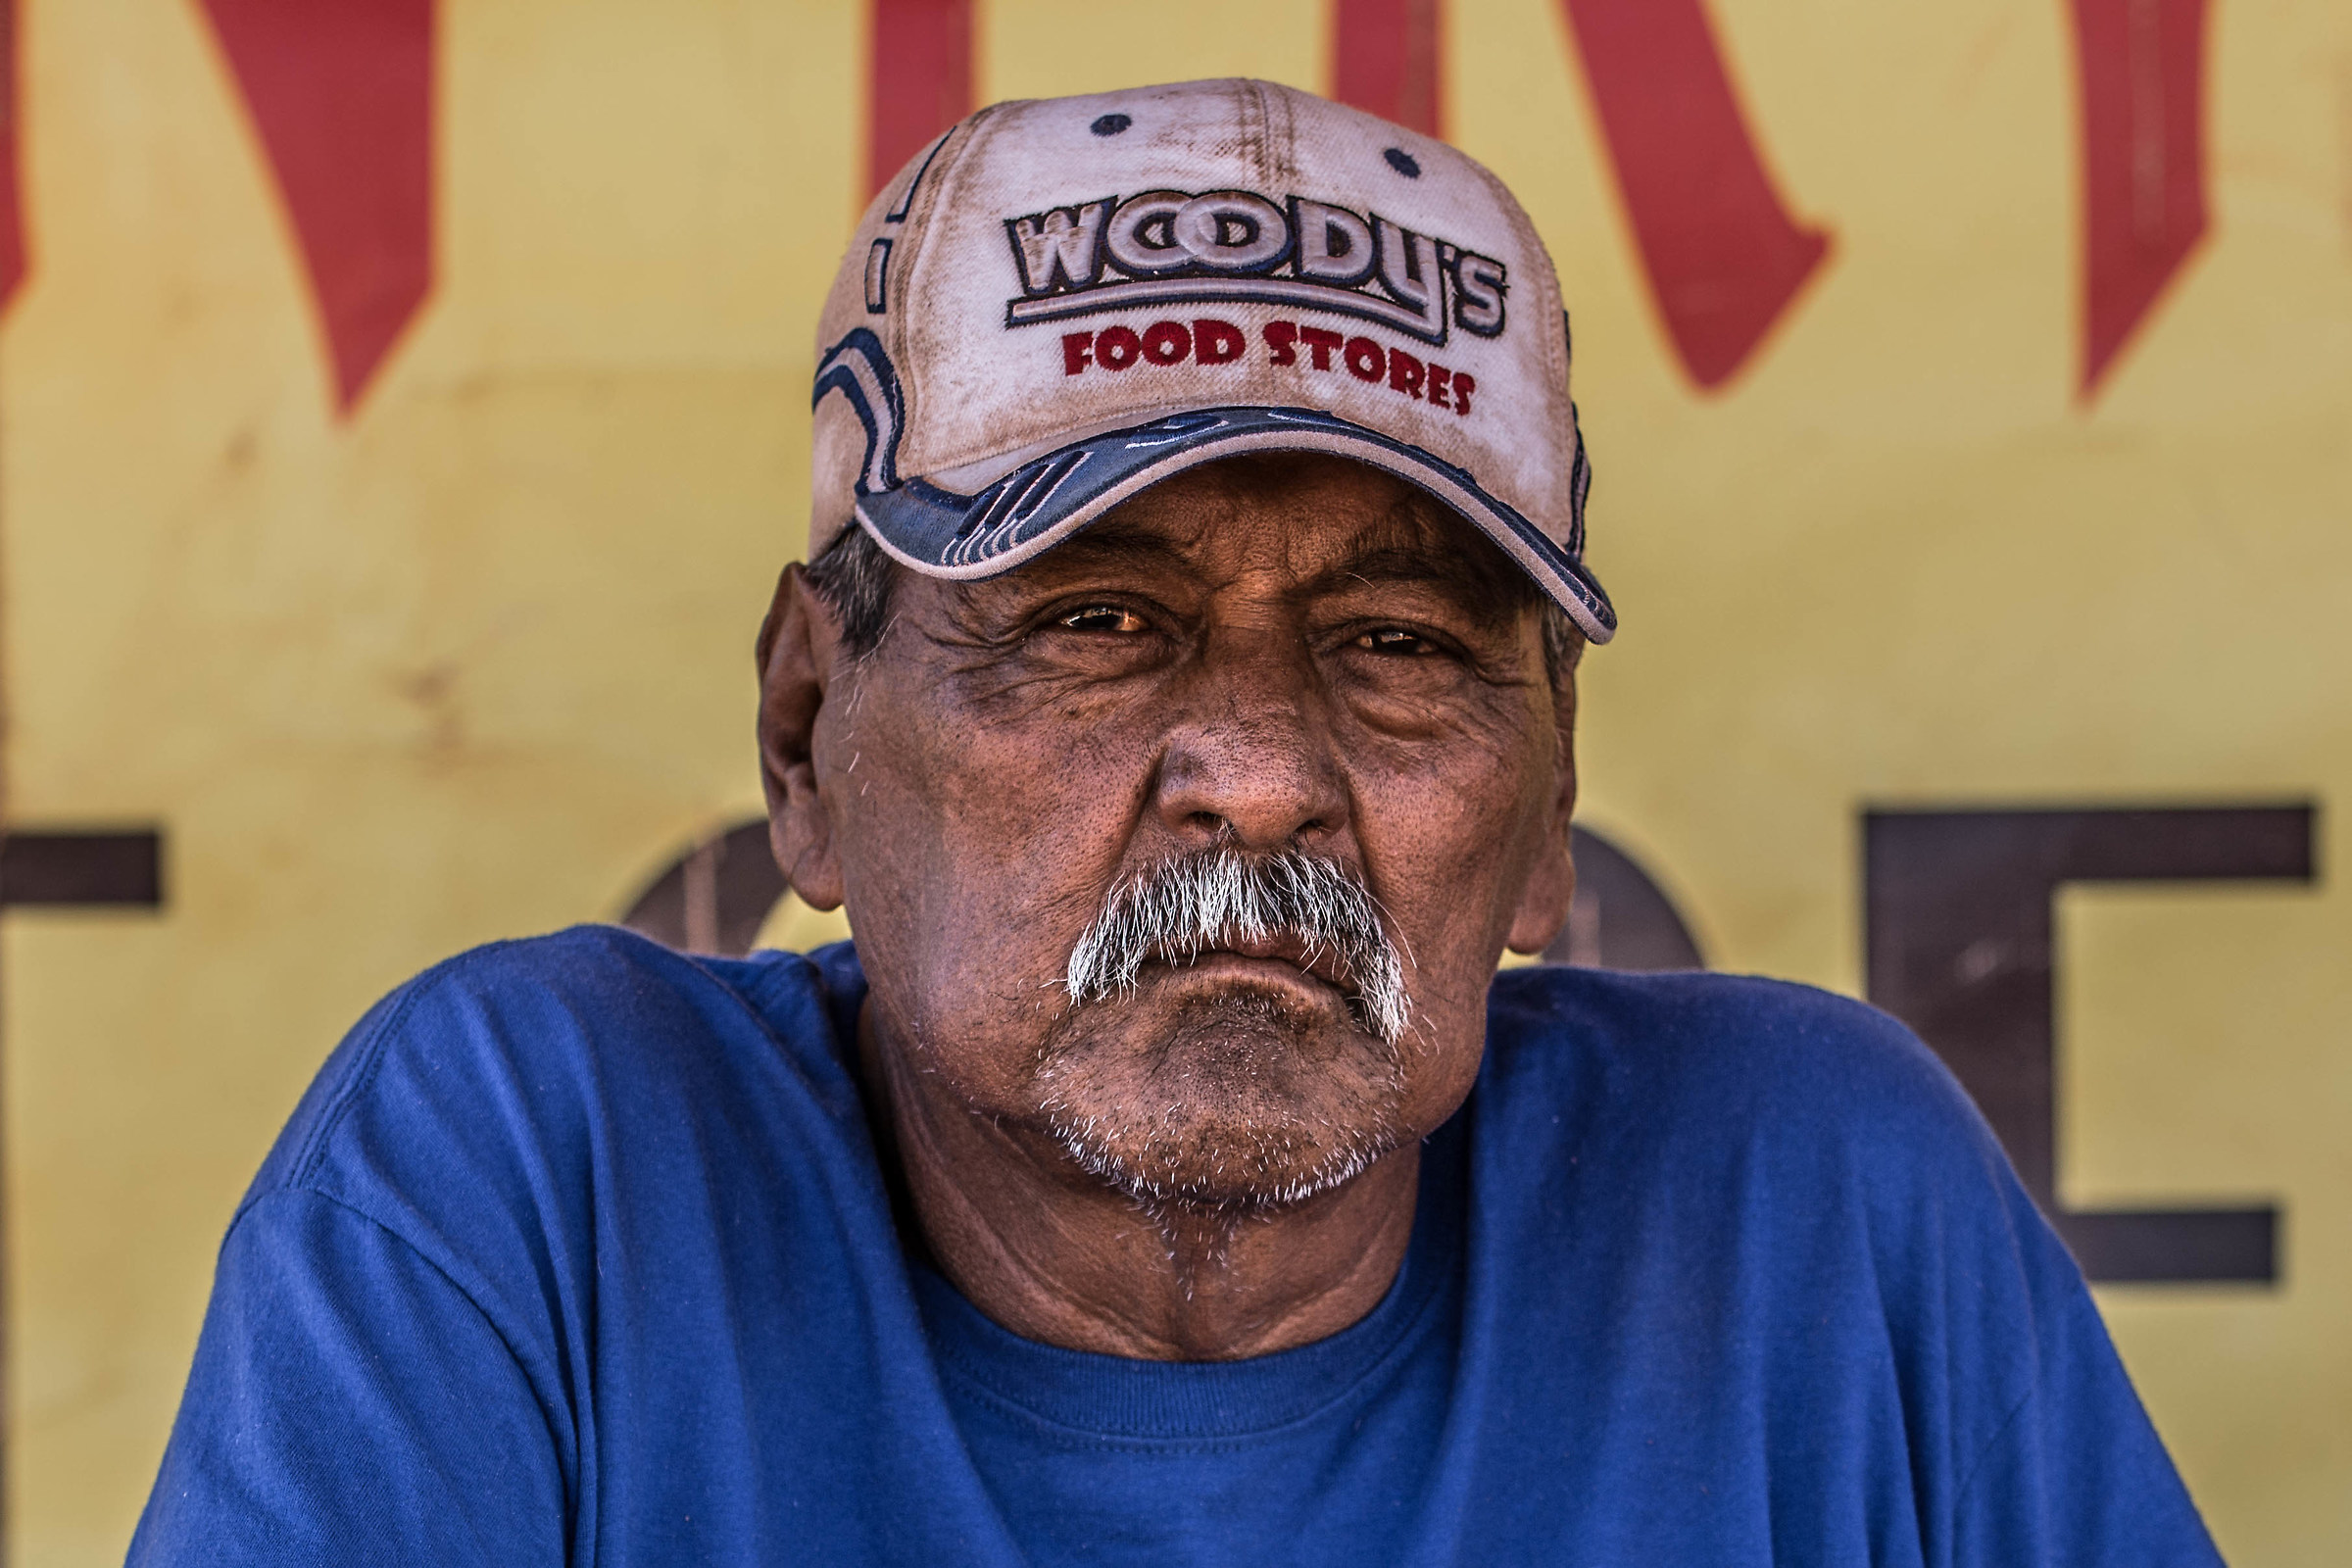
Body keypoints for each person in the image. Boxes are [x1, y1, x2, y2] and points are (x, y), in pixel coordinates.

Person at [130, 79, 2220, 1565]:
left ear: (1552, 792)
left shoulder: (1810, 1210)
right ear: (805, 733)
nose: (1262, 762)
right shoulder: (540, 1176)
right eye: (1100, 621)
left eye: (1397, 638)